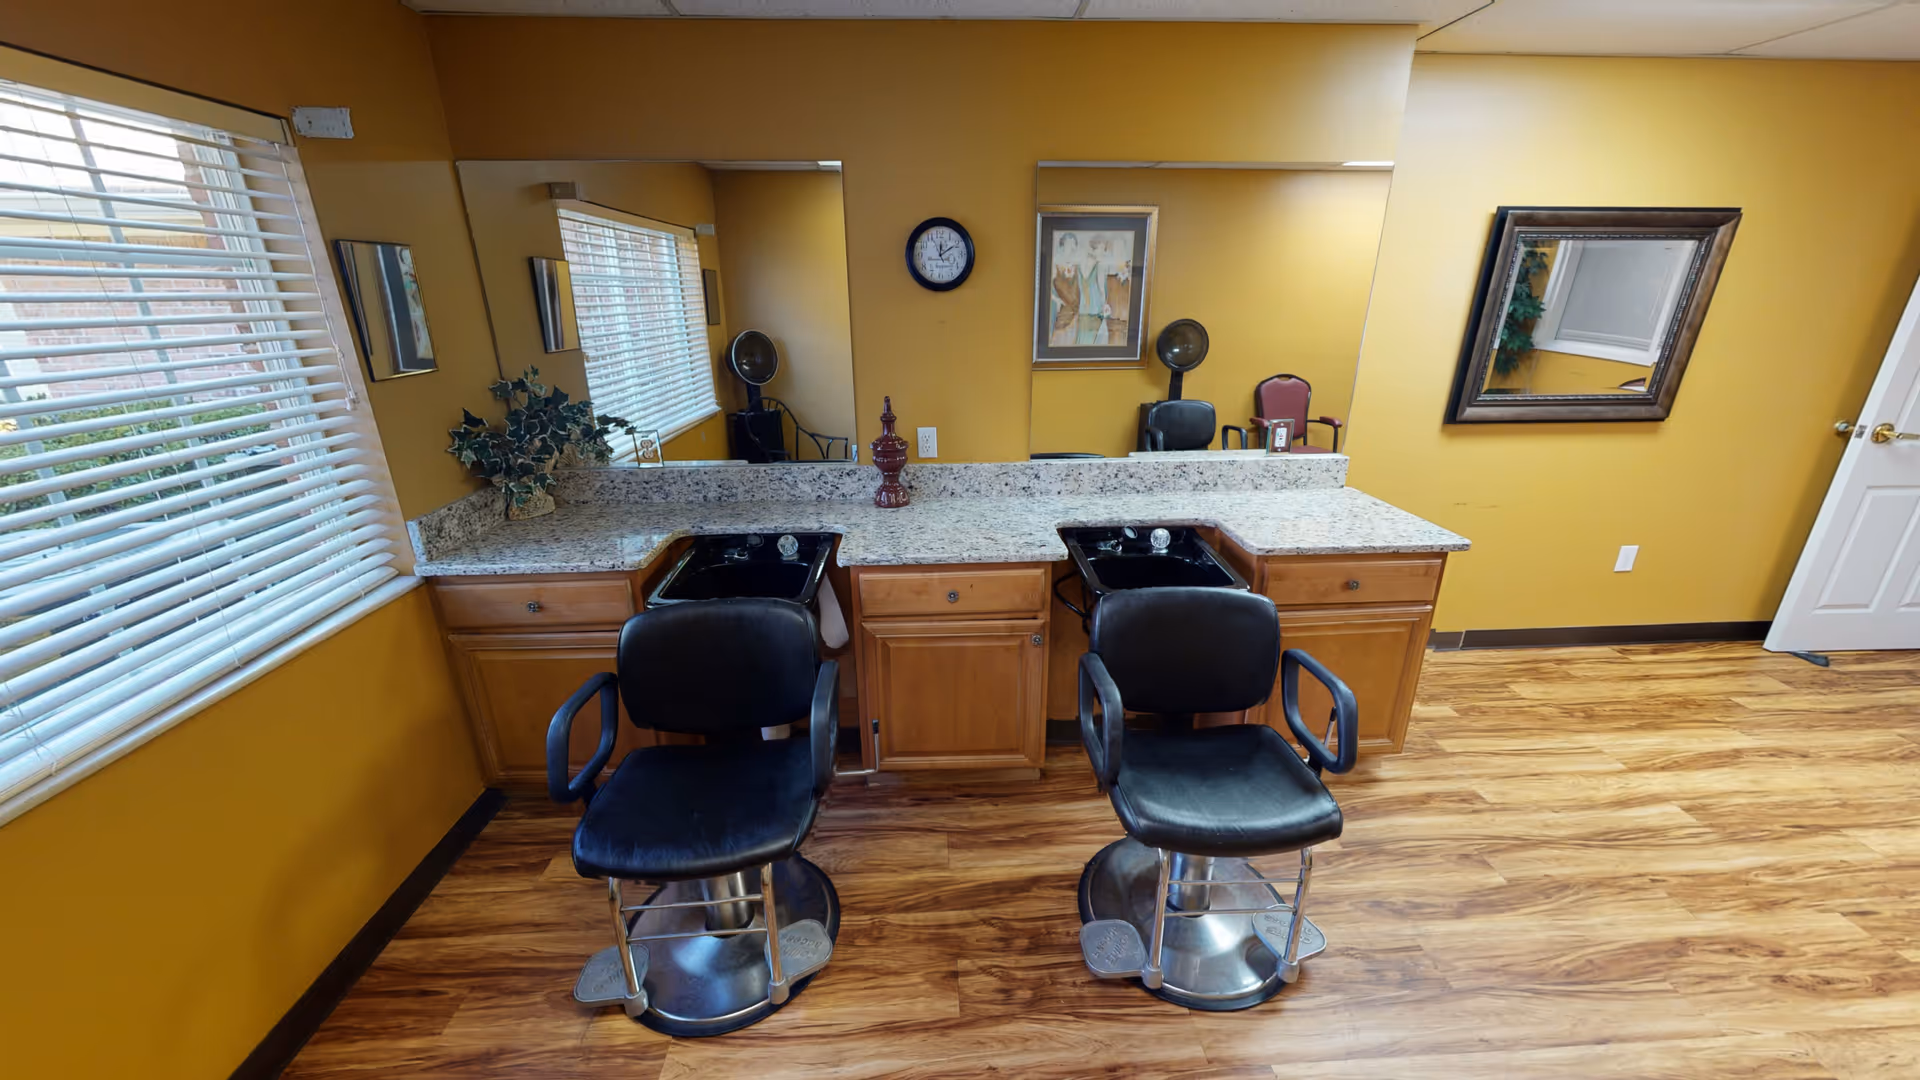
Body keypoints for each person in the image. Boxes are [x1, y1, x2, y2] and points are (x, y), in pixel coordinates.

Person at [1049, 232, 1081, 348]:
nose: (1071, 248)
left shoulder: (1076, 266)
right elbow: (1047, 287)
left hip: (1074, 310)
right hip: (1059, 310)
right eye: (1069, 244)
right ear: (1063, 245)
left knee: (1071, 341)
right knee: (1058, 340)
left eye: (1073, 245)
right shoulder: (1055, 264)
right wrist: (1056, 300)